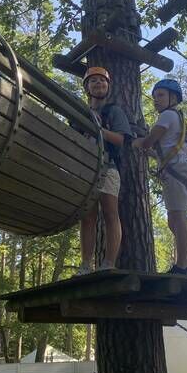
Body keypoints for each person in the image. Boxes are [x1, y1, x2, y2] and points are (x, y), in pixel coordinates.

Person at [132, 79, 187, 275]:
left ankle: (182, 267)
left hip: (176, 170)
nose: (156, 100)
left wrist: (132, 142)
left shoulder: (168, 115)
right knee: (173, 221)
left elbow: (148, 141)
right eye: (154, 97)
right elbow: (165, 148)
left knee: (178, 218)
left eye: (161, 95)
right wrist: (153, 154)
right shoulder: (178, 118)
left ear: (174, 98)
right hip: (180, 169)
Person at [76, 67, 133, 275]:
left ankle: (109, 262)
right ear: (87, 88)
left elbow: (120, 139)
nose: (98, 83)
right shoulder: (80, 112)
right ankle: (85, 264)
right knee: (87, 216)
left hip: (108, 166)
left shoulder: (114, 111)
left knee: (110, 213)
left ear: (108, 86)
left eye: (102, 80)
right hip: (85, 166)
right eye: (93, 81)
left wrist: (98, 130)